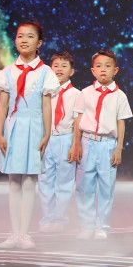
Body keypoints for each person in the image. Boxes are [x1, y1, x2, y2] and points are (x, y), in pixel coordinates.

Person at [0, 21, 58, 249]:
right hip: (13, 128)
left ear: (39, 43)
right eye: (20, 36)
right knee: (14, 181)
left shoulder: (46, 73)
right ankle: (13, 233)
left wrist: (47, 133)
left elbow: (47, 106)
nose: (24, 40)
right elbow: (3, 106)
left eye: (30, 36)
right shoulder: (7, 73)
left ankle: (24, 234)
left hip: (35, 128)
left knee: (30, 181)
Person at [69, 49, 133, 239]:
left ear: (115, 70)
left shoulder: (120, 96)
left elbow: (121, 123)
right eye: (99, 66)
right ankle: (86, 226)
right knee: (84, 186)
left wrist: (119, 148)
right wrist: (76, 144)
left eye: (108, 66)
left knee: (106, 187)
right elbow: (78, 120)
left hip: (107, 144)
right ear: (93, 70)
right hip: (87, 142)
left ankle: (102, 226)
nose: (103, 69)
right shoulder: (85, 93)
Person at [38, 51, 80, 232]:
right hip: (46, 138)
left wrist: (75, 144)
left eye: (64, 66)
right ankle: (47, 218)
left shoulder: (77, 94)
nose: (59, 69)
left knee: (64, 182)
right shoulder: (44, 92)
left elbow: (78, 122)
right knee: (45, 180)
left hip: (65, 138)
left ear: (72, 71)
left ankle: (60, 219)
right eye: (55, 65)